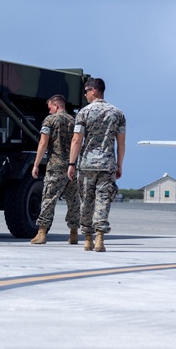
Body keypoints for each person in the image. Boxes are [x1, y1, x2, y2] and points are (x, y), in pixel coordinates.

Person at [67, 78, 126, 252]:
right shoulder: (118, 113)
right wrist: (119, 164)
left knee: (86, 200)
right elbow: (121, 143)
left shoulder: (84, 113)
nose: (84, 95)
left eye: (86, 91)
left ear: (94, 90)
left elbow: (77, 139)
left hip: (87, 164)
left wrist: (71, 163)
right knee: (103, 200)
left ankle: (87, 238)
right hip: (107, 164)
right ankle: (99, 237)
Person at [29, 94, 80, 245]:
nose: (49, 111)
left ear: (56, 106)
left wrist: (36, 164)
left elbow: (43, 143)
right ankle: (73, 233)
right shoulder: (74, 121)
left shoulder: (49, 120)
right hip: (72, 166)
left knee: (48, 199)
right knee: (74, 200)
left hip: (56, 166)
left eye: (50, 107)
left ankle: (41, 232)